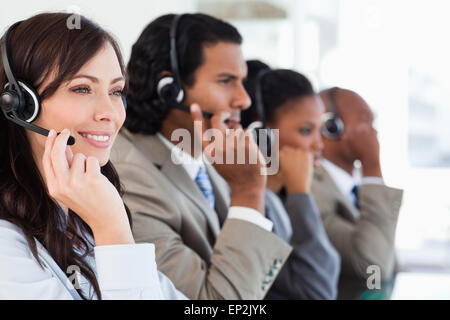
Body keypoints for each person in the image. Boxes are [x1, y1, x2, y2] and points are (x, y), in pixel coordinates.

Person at [0, 12, 186, 300]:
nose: (110, 113)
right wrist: (112, 230)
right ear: (20, 104)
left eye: (116, 90)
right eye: (82, 88)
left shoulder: (79, 220)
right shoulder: (6, 247)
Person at [110, 13, 292, 300]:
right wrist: (248, 192)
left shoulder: (209, 155)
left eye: (242, 81)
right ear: (169, 89)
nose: (243, 100)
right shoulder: (127, 176)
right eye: (225, 81)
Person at [241, 60, 340, 299]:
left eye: (320, 129)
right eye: (306, 131)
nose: (319, 144)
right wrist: (300, 194)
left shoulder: (282, 199)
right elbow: (317, 292)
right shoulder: (251, 207)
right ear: (260, 134)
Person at [311, 87, 403, 281]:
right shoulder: (312, 188)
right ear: (331, 127)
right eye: (365, 120)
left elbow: (389, 258)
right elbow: (374, 267)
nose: (374, 131)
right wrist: (373, 167)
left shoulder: (359, 187)